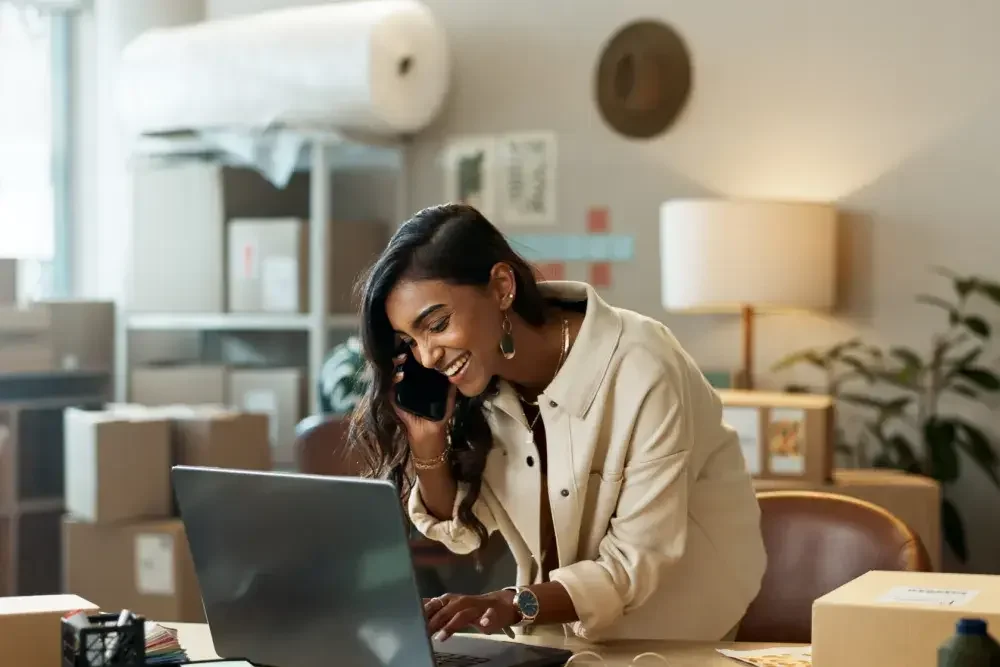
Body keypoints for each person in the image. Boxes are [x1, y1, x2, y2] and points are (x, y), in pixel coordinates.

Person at [349, 203, 766, 644]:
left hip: (673, 636)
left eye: (437, 324)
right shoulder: (484, 385)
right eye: (410, 341)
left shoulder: (641, 365)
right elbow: (462, 535)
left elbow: (634, 563)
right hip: (557, 637)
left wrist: (511, 603)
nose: (428, 356)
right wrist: (426, 441)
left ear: (502, 287)